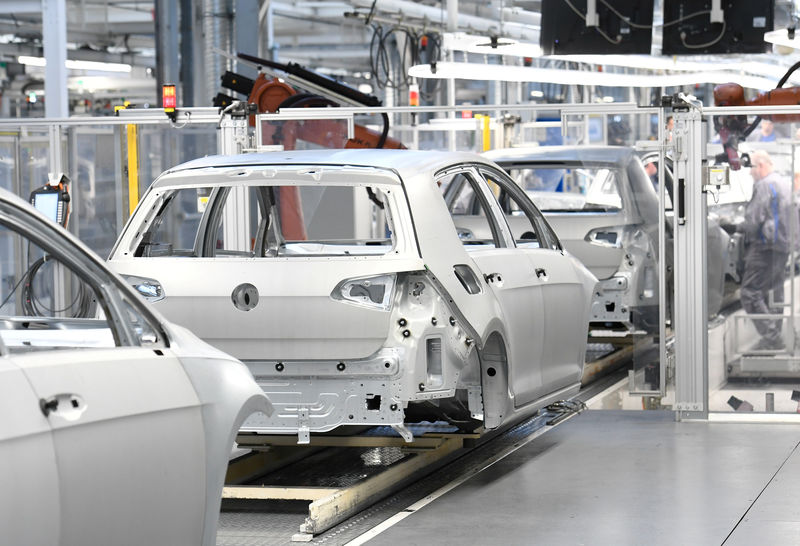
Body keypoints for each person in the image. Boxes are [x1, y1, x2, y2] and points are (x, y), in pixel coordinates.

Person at [740, 150, 798, 350]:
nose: (750, 173)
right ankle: (778, 337)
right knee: (774, 292)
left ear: (761, 166)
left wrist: (733, 227)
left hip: (765, 248)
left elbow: (753, 220)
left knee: (749, 292)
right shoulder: (783, 183)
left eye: (751, 169)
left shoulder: (765, 185)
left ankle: (772, 338)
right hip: (782, 247)